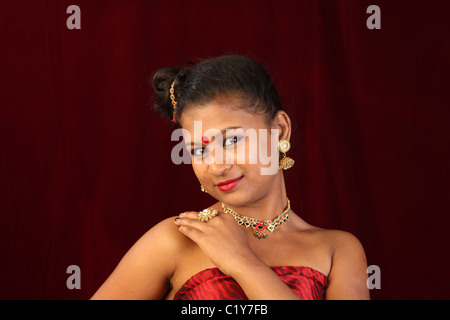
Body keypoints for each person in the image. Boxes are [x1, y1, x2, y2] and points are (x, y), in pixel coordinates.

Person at [91, 55, 369, 300]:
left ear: (280, 131)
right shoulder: (178, 239)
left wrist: (243, 261)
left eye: (232, 139)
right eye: (199, 150)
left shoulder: (338, 250)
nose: (216, 166)